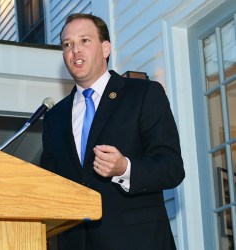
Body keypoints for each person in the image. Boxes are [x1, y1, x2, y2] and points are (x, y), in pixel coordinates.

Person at [40, 13, 185, 250]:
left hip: (138, 242)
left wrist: (124, 168)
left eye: (84, 41)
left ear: (105, 48)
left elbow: (171, 168)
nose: (75, 50)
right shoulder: (54, 117)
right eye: (68, 44)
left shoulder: (143, 94)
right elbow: (50, 184)